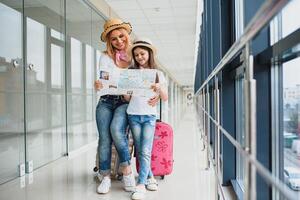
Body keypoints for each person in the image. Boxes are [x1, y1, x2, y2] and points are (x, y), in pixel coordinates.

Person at [94, 18, 136, 194]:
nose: (118, 41)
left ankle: (127, 171)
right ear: (109, 41)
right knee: (104, 139)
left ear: (126, 36)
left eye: (121, 36)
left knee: (117, 131)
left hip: (124, 101)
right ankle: (105, 177)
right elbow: (104, 80)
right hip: (105, 101)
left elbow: (143, 80)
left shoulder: (134, 56)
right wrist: (98, 84)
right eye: (113, 38)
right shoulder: (105, 57)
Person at [126, 38, 168, 200]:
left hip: (149, 116)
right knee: (140, 148)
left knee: (145, 150)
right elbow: (126, 98)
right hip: (133, 114)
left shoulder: (158, 74)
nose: (139, 57)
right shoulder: (132, 72)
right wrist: (127, 90)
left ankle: (141, 184)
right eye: (136, 55)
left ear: (149, 54)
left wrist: (159, 89)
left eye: (142, 54)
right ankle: (150, 177)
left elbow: (165, 97)